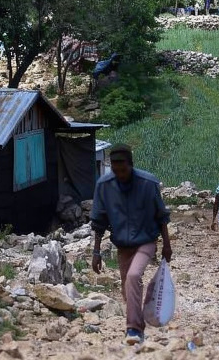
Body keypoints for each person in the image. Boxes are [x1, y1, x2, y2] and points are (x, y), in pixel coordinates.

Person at [91, 143, 172, 346]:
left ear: (131, 165)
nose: (120, 175)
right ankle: (139, 320)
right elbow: (99, 221)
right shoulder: (104, 185)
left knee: (134, 276)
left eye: (123, 170)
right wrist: (96, 251)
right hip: (122, 245)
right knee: (128, 290)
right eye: (116, 171)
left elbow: (161, 216)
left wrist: (167, 245)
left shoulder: (148, 183)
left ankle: (134, 329)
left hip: (146, 241)